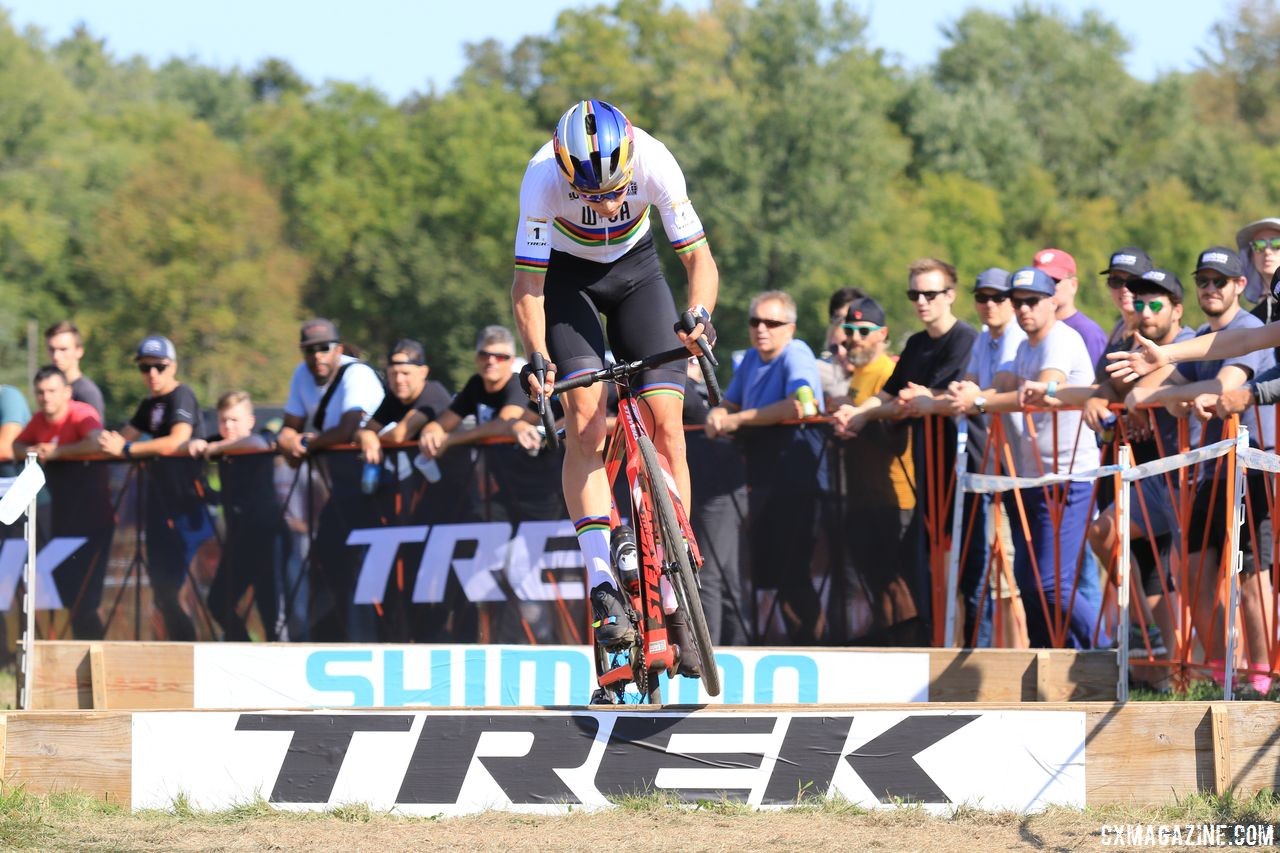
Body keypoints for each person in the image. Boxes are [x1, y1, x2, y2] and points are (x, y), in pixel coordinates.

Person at [510, 99, 717, 671]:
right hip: (568, 281)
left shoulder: (654, 161)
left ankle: (677, 568)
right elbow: (528, 285)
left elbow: (699, 260)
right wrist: (536, 355)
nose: (601, 203)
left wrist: (699, 314)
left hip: (638, 274)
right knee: (584, 422)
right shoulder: (541, 178)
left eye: (611, 191)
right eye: (588, 194)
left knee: (669, 425)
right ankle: (603, 576)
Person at [1122, 249, 1275, 693]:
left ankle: (1261, 675)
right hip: (1214, 466)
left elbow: (1227, 383)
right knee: (1191, 567)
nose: (1210, 288)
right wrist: (1164, 366)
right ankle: (1220, 670)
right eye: (1203, 280)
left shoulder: (1248, 326)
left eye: (1219, 281)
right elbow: (1229, 350)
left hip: (1253, 460)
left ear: (1239, 286)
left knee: (1250, 572)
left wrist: (1177, 386)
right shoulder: (1225, 333)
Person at [953, 268, 1104, 648]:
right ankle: (1046, 660)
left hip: (1070, 474)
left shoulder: (1059, 340)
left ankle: (1107, 650)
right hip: (1034, 476)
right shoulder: (1024, 347)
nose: (1023, 310)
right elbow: (1000, 385)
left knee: (1051, 582)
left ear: (1053, 300)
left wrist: (981, 401)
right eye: (1017, 302)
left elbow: (1036, 395)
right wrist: (961, 391)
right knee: (1029, 578)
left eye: (1032, 301)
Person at [834, 258, 978, 642]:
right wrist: (857, 413)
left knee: (967, 574)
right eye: (914, 294)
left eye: (930, 294)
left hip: (963, 470)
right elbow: (891, 397)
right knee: (929, 571)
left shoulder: (965, 339)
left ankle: (966, 651)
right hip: (927, 474)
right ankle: (939, 646)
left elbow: (938, 399)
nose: (921, 302)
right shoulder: (915, 344)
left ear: (950, 295)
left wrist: (904, 404)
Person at [706, 290, 823, 644]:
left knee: (793, 575)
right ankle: (800, 647)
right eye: (755, 321)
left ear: (790, 328)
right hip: (760, 479)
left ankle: (816, 648)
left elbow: (801, 405)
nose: (762, 329)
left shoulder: (797, 351)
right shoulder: (753, 360)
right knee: (771, 575)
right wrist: (719, 412)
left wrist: (736, 419)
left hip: (794, 479)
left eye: (772, 322)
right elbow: (728, 401)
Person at [276, 318, 385, 641]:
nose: (317, 356)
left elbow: (348, 429)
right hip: (344, 488)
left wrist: (306, 443)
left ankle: (370, 640)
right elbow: (288, 427)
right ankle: (334, 638)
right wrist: (288, 442)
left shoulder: (358, 375)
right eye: (309, 350)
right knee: (328, 557)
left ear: (338, 349)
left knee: (366, 572)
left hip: (379, 484)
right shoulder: (302, 375)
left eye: (324, 349)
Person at [97, 335, 205, 641]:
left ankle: (195, 654)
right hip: (159, 506)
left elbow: (176, 440)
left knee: (181, 589)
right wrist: (102, 440)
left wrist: (128, 450)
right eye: (145, 368)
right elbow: (121, 436)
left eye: (159, 366)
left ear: (172, 366)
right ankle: (180, 653)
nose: (152, 374)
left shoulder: (181, 395)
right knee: (162, 592)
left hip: (187, 510)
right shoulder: (150, 403)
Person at [943, 268, 1027, 646]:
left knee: (1015, 568)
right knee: (994, 569)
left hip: (1025, 464)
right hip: (999, 464)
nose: (989, 305)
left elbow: (995, 390)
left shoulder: (1015, 338)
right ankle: (1000, 656)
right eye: (982, 297)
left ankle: (1028, 653)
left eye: (998, 297)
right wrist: (968, 393)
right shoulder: (984, 338)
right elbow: (975, 385)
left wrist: (972, 396)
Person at [831, 294, 918, 644]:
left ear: (882, 334)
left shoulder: (886, 372)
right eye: (848, 329)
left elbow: (897, 437)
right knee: (876, 580)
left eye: (863, 331)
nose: (853, 337)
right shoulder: (859, 374)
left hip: (894, 496)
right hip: (862, 496)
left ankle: (911, 649)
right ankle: (890, 646)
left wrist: (857, 423)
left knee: (898, 582)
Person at [12, 366, 110, 638]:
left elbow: (96, 442)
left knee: (87, 600)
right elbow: (16, 447)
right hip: (62, 520)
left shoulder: (82, 414)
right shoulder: (39, 420)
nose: (46, 398)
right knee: (66, 595)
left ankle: (99, 658)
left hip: (94, 520)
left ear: (67, 392)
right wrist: (33, 450)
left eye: (52, 391)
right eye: (40, 392)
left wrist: (57, 452)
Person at [187, 391, 288, 642]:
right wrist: (196, 444)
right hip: (240, 540)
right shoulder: (220, 444)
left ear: (250, 421)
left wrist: (214, 448)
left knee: (272, 612)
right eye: (223, 420)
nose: (228, 426)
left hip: (268, 536)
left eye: (234, 420)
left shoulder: (254, 441)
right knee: (218, 602)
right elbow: (195, 444)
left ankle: (284, 670)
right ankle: (245, 653)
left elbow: (257, 444)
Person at [357, 339, 452, 467]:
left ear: (423, 372)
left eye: (406, 373)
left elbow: (399, 435)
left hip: (456, 477)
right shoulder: (393, 398)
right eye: (393, 373)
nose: (399, 380)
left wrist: (374, 439)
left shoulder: (434, 393)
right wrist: (365, 436)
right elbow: (365, 430)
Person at [1034, 248, 1107, 366]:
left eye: (1054, 280)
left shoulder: (1088, 332)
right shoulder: (1031, 328)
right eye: (1040, 281)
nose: (1045, 287)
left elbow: (1097, 382)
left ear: (1073, 285)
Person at [44, 321, 105, 420]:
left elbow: (95, 433)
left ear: (79, 351)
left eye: (63, 349)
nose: (56, 356)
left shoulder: (86, 393)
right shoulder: (46, 391)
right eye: (52, 350)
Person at [817, 286, 864, 405]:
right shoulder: (821, 369)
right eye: (837, 318)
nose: (842, 352)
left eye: (849, 318)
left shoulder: (883, 370)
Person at [1099, 247, 1152, 348]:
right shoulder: (1119, 327)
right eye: (1116, 281)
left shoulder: (1155, 333)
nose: (1125, 289)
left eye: (1134, 281)